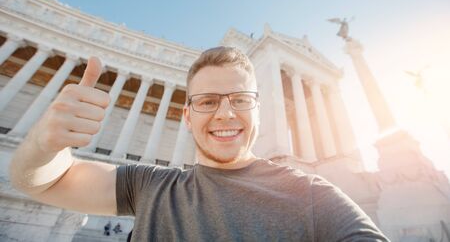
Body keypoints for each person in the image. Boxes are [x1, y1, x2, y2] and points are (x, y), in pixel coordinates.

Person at [9, 47, 389, 241]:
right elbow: (40, 182)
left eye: (239, 99)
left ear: (258, 110)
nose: (225, 114)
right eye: (208, 101)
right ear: (187, 116)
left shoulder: (312, 195)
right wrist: (44, 144)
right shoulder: (149, 187)